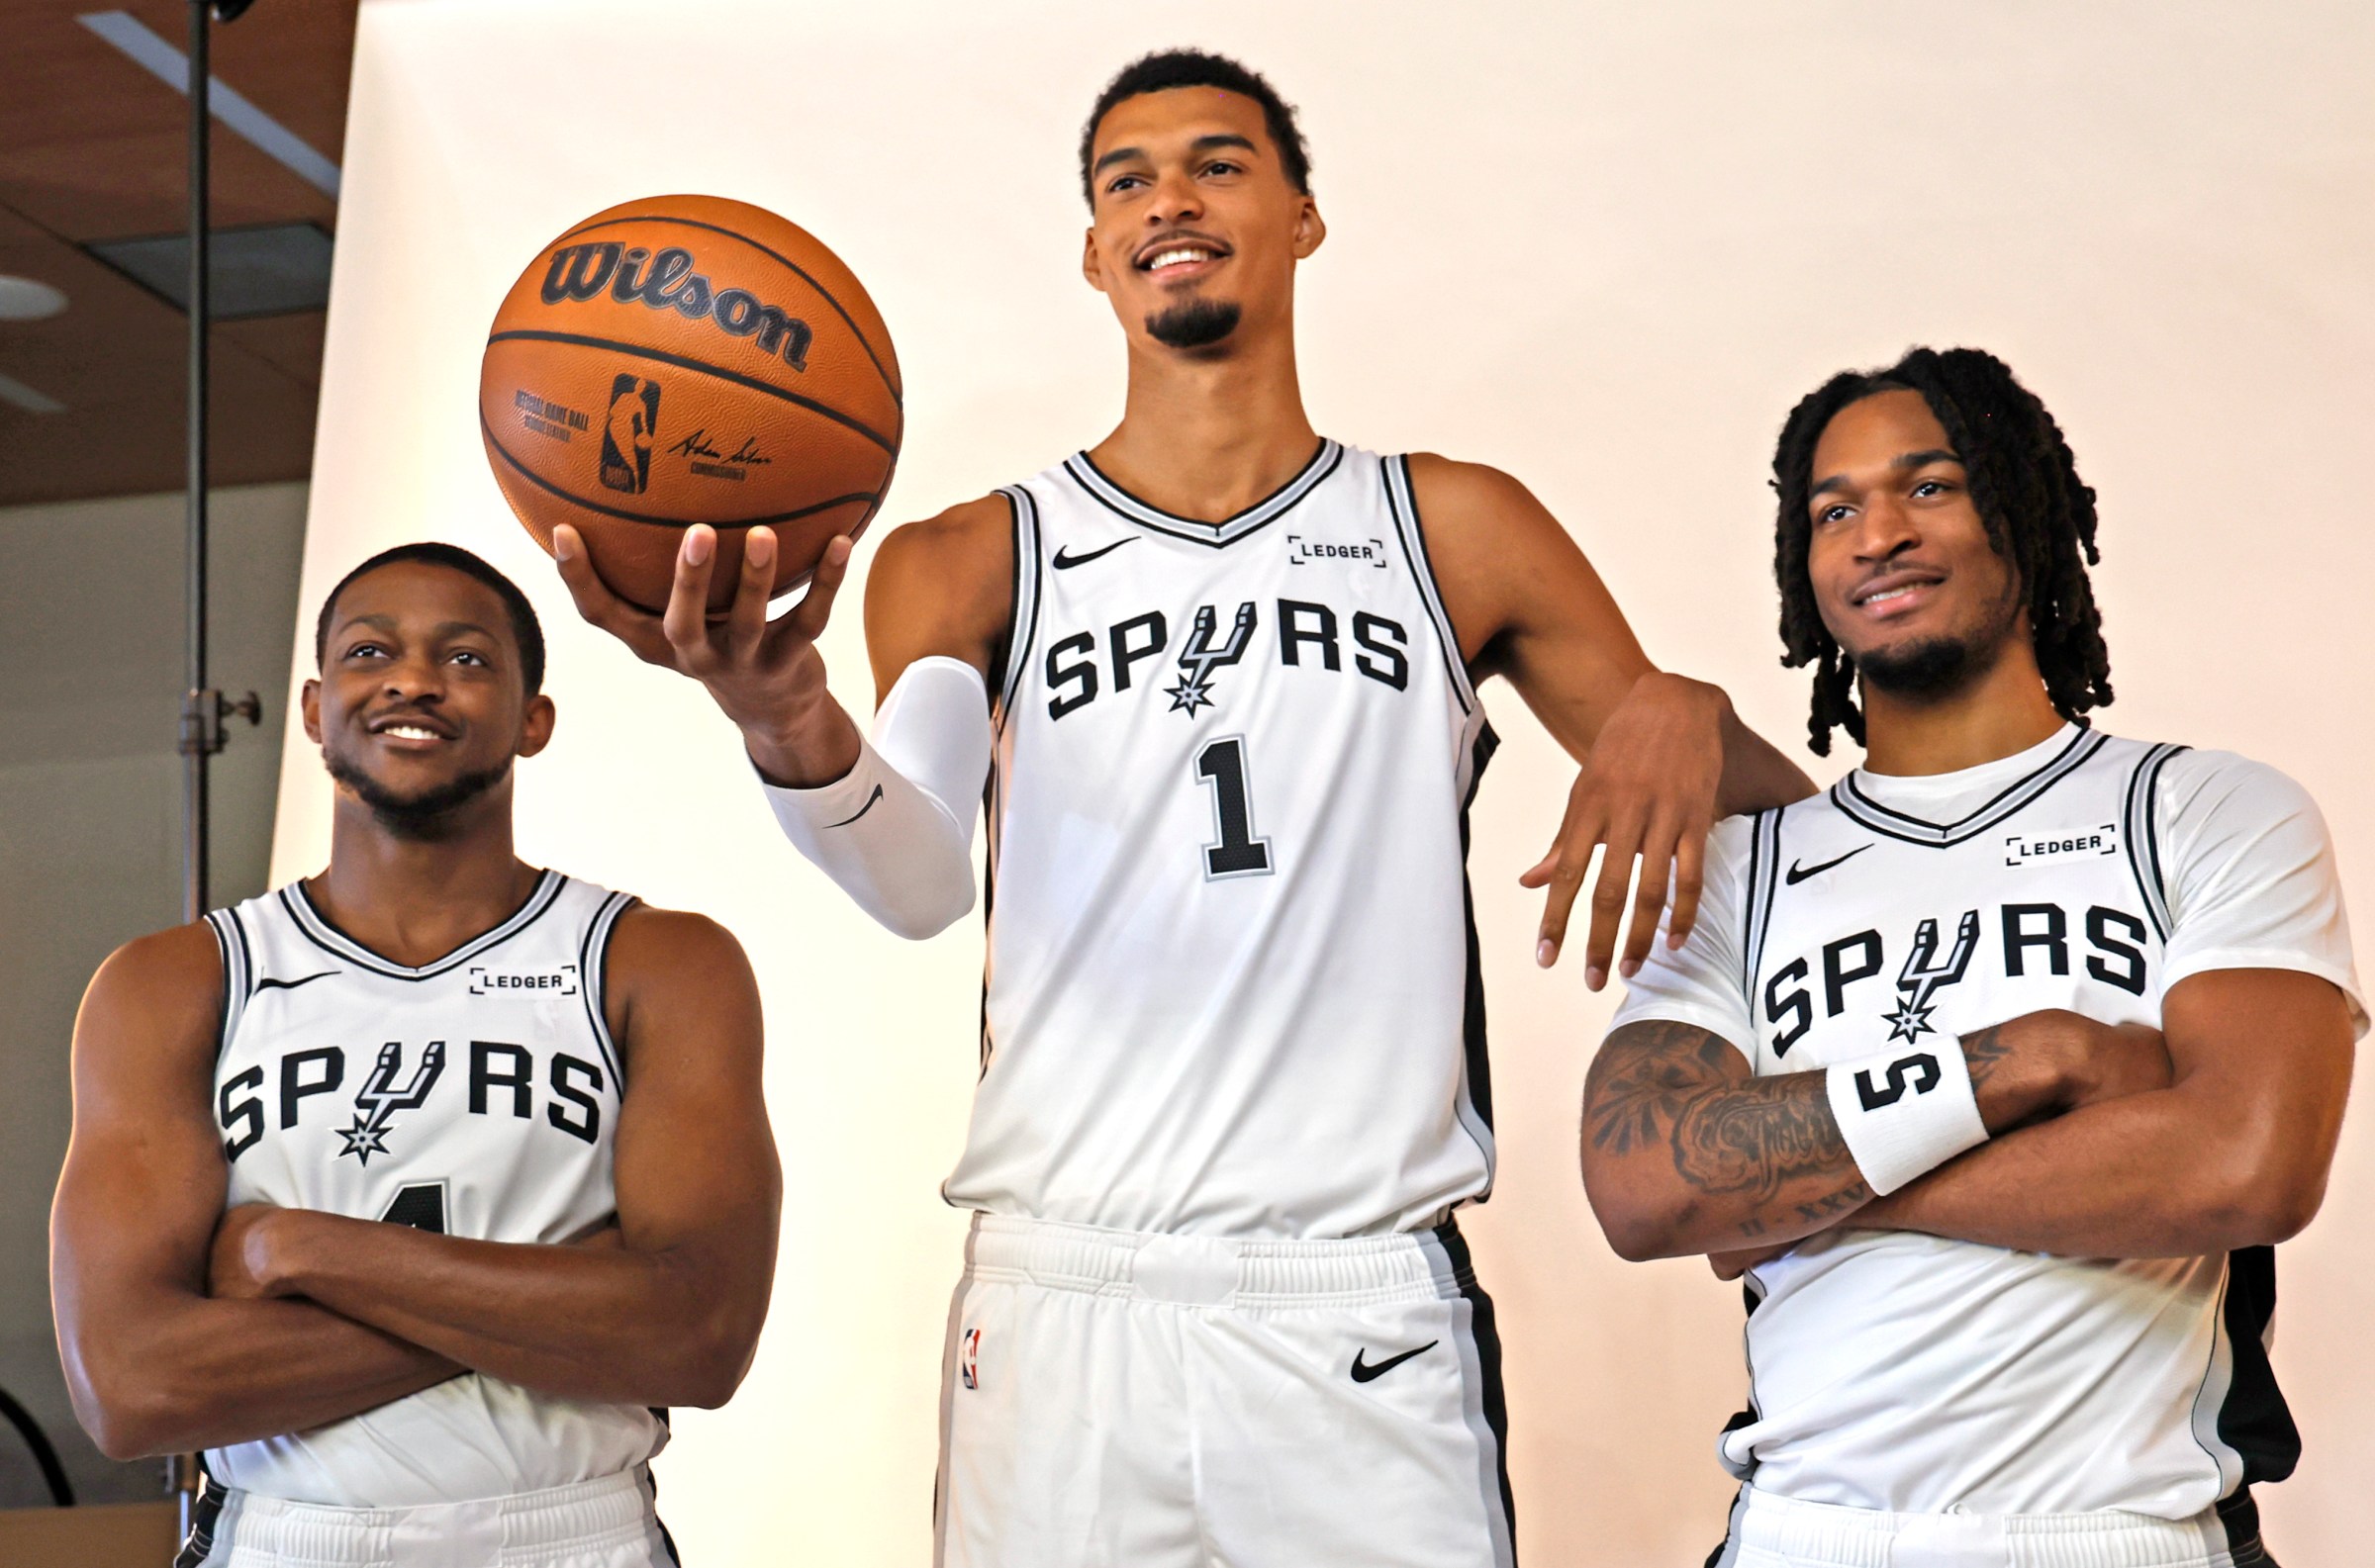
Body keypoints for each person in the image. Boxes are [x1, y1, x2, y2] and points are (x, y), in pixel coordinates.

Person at [560, 49, 1808, 1567]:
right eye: (1127, 180)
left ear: (1303, 217)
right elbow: (917, 876)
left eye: (1218, 163)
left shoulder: (1449, 525)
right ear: (1095, 252)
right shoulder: (972, 555)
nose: (1170, 199)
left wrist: (1690, 707)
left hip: (1358, 1301)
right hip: (1063, 1303)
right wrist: (782, 717)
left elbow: (1781, 836)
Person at [1580, 347, 2362, 1568]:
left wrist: (1795, 1193)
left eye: (1930, 486)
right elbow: (1645, 1187)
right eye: (1834, 510)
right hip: (1804, 1536)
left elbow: (2246, 1163)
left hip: (2122, 1535)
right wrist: (2029, 1063)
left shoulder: (2206, 810)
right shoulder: (1743, 867)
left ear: (2021, 511)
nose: (1879, 533)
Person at [51, 543, 780, 1568]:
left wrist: (298, 1250)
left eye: (467, 658)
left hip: (572, 1534)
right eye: (369, 652)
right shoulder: (173, 983)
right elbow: (133, 1388)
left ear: (535, 719)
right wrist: (573, 1303)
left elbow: (699, 1338)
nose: (413, 680)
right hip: (286, 1537)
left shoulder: (657, 962)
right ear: (315, 709)